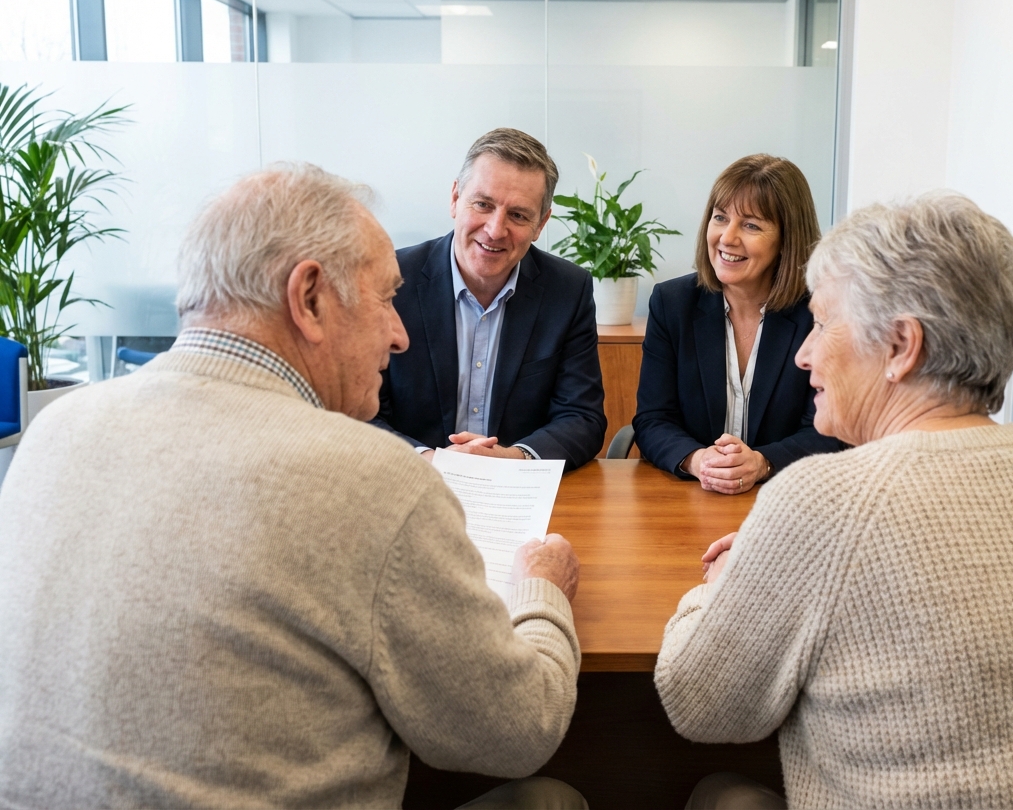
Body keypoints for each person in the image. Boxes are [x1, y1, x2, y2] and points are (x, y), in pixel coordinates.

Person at [0, 165, 587, 809]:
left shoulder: (53, 432)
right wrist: (541, 588)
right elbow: (517, 732)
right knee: (550, 799)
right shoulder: (371, 481)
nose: (400, 333)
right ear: (308, 298)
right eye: (386, 298)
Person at [655, 192, 1013, 809]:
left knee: (714, 794)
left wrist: (721, 587)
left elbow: (698, 704)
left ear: (900, 346)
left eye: (821, 322)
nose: (804, 353)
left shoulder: (826, 501)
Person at [374, 128, 605, 470]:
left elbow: (582, 417)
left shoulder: (568, 290)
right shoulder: (392, 280)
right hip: (411, 482)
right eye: (483, 204)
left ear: (541, 223)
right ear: (455, 198)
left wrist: (511, 458)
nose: (496, 230)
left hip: (517, 490)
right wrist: (431, 460)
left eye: (518, 215)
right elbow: (358, 412)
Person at [633, 155, 841, 494]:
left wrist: (763, 462)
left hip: (787, 496)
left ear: (787, 239)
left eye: (751, 225)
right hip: (692, 496)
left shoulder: (819, 311)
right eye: (720, 218)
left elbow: (829, 429)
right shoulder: (673, 303)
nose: (727, 238)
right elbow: (653, 419)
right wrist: (698, 460)